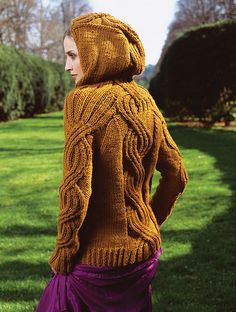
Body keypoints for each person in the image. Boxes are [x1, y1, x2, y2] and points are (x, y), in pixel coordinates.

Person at [35, 12, 188, 312]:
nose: (67, 66)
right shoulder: (144, 101)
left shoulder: (81, 102)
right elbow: (177, 175)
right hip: (142, 257)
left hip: (96, 263)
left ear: (96, 54)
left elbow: (76, 187)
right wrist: (146, 225)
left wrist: (64, 253)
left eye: (73, 56)